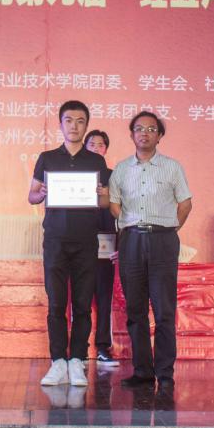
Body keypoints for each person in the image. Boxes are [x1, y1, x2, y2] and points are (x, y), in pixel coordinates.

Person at [28, 101, 109, 387]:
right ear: (61, 124)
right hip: (55, 241)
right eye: (69, 120)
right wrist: (42, 193)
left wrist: (100, 194)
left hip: (86, 241)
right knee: (56, 304)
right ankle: (58, 361)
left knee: (83, 304)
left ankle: (76, 360)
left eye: (80, 121)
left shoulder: (96, 162)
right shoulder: (47, 158)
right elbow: (32, 196)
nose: (74, 126)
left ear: (86, 125)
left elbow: (105, 202)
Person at [109, 111, 192, 389]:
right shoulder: (121, 169)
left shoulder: (172, 167)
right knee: (135, 310)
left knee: (164, 309)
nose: (144, 133)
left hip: (163, 241)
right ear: (131, 134)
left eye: (151, 129)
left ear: (160, 135)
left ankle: (165, 373)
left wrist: (170, 229)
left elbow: (185, 203)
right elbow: (114, 205)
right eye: (139, 128)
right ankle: (143, 371)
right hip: (131, 241)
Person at [84, 129, 120, 367]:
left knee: (104, 298)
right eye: (92, 144)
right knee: (81, 299)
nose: (96, 148)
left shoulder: (114, 176)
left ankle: (103, 347)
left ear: (106, 149)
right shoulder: (75, 174)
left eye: (100, 144)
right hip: (80, 244)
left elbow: (122, 212)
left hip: (107, 245)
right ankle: (78, 349)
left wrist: (122, 244)